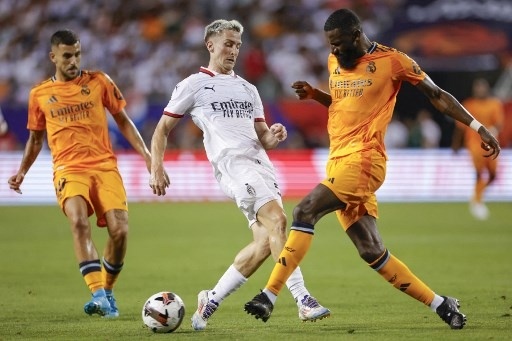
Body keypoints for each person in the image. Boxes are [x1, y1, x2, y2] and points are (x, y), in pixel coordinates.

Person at [244, 9, 501, 330]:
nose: (333, 51)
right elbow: (343, 104)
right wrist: (315, 96)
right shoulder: (334, 62)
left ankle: (269, 294)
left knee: (305, 212)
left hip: (365, 161)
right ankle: (441, 303)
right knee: (372, 251)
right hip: (338, 161)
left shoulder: (393, 61)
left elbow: (437, 96)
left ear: (356, 36)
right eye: (330, 45)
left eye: (338, 44)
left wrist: (477, 127)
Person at [149, 19, 330, 331]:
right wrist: (157, 167)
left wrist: (275, 134)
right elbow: (163, 128)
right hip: (233, 166)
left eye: (237, 45)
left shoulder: (249, 88)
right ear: (211, 45)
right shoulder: (194, 84)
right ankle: (303, 299)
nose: (233, 50)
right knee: (278, 221)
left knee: (264, 243)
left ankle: (211, 299)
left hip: (260, 165)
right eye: (227, 43)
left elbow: (263, 137)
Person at [7, 29, 156, 318]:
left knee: (120, 231)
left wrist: (148, 157)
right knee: (78, 221)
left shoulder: (99, 81)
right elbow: (36, 139)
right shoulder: (39, 95)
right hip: (68, 168)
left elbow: (123, 121)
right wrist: (22, 172)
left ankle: (108, 291)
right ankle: (98, 294)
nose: (73, 60)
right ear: (53, 57)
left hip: (104, 166)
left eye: (77, 54)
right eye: (66, 56)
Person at [452, 78, 504, 220]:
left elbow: (499, 124)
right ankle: (477, 202)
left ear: (487, 88)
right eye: (477, 87)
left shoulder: (494, 104)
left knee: (493, 175)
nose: (480, 90)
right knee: (479, 173)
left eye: (482, 87)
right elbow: (460, 127)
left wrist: (492, 131)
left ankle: (478, 194)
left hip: (492, 145)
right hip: (474, 144)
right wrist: (456, 144)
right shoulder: (469, 105)